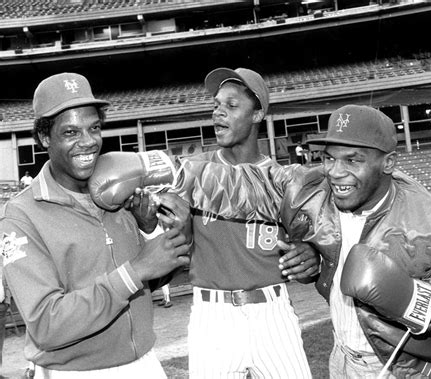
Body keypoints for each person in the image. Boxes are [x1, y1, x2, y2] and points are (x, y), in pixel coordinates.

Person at [90, 68, 319, 379]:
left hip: (273, 310)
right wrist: (160, 224)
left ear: (258, 114)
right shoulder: (193, 173)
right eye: (215, 105)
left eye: (231, 105)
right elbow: (178, 253)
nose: (218, 113)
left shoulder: (283, 180)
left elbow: (308, 251)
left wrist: (310, 256)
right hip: (213, 317)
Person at [0, 72, 191, 379]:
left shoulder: (118, 189)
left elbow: (152, 280)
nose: (88, 142)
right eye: (71, 132)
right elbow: (46, 324)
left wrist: (151, 229)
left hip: (143, 364)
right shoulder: (21, 215)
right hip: (75, 372)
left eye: (94, 128)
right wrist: (136, 270)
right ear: (45, 138)